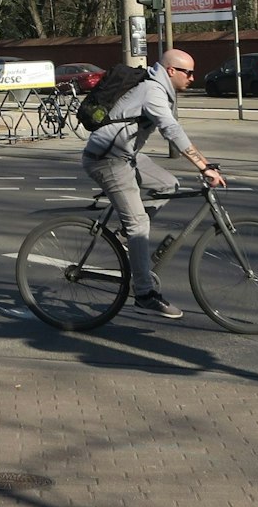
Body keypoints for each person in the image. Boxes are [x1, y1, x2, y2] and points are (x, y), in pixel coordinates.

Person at [79, 48, 225, 320]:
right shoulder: (153, 91)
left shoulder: (157, 89)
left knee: (169, 183)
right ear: (171, 71)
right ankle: (145, 294)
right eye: (188, 72)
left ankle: (124, 236)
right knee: (139, 225)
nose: (192, 78)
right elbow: (172, 129)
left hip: (125, 155)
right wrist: (203, 166)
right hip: (106, 160)